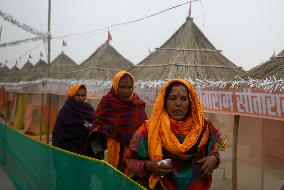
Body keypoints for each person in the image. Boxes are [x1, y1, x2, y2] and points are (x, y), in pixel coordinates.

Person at [127, 79, 221, 190]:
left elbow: (216, 152)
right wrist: (148, 166)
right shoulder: (149, 129)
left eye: (183, 99)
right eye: (172, 98)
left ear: (191, 102)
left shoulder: (204, 127)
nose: (178, 104)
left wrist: (214, 159)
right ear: (164, 101)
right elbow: (130, 161)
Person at [90, 70, 147, 175]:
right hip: (108, 158)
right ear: (115, 86)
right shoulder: (106, 104)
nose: (126, 91)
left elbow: (144, 133)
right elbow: (96, 132)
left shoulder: (138, 106)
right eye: (122, 87)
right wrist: (100, 155)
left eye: (129, 87)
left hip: (132, 158)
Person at [52, 83, 94, 155]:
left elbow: (92, 123)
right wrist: (84, 124)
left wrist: (89, 126)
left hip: (83, 149)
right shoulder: (66, 110)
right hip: (65, 148)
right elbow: (59, 130)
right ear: (72, 95)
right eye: (78, 95)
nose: (81, 97)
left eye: (83, 95)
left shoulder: (88, 109)